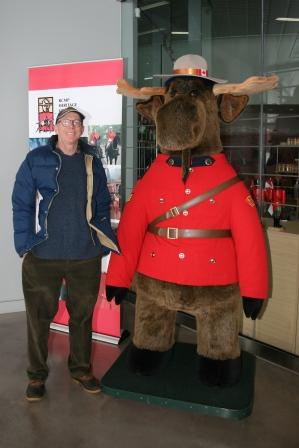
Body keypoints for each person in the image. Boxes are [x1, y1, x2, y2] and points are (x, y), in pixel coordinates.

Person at [12, 106, 119, 402]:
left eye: (76, 122)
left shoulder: (92, 161)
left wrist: (99, 241)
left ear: (82, 129)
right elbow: (21, 202)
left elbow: (101, 202)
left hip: (85, 255)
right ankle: (36, 376)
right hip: (43, 256)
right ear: (56, 127)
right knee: (38, 318)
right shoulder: (37, 159)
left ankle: (81, 370)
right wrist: (25, 243)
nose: (71, 126)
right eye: (65, 122)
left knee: (82, 317)